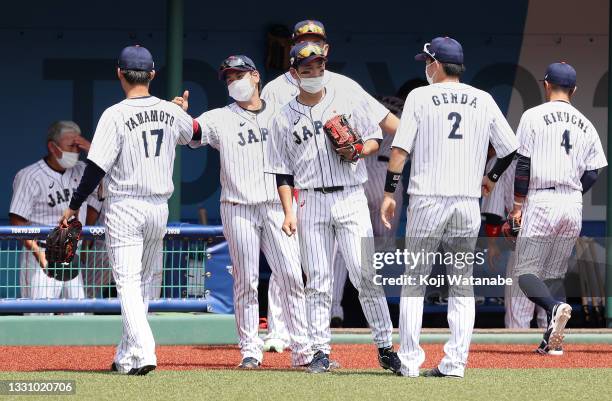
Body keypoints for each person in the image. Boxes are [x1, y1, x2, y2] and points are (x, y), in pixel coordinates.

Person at [381, 37, 519, 378]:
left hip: (428, 199)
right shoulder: (483, 99)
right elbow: (511, 148)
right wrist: (490, 179)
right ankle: (455, 363)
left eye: (427, 62)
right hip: (466, 203)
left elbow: (399, 151)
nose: (425, 67)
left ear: (437, 65)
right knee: (462, 283)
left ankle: (411, 362)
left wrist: (388, 193)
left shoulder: (419, 96)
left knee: (414, 278)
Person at [261, 18, 400, 351]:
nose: (314, 69)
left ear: (326, 54)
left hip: (350, 193)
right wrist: (287, 209)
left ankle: (385, 347)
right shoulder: (278, 100)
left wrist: (357, 149)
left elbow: (376, 133)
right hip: (306, 196)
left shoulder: (345, 87)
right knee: (309, 277)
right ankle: (305, 344)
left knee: (364, 273)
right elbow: (277, 162)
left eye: (318, 61)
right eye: (306, 65)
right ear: (294, 68)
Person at [60, 45, 198, 375]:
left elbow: (95, 167)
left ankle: (145, 350)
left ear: (119, 73)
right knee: (145, 284)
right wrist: (180, 110)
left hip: (126, 207)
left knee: (128, 284)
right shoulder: (170, 110)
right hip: (158, 209)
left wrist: (74, 205)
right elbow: (192, 134)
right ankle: (127, 356)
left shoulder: (115, 114)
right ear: (152, 74)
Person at [172, 55, 312, 369]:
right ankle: (250, 349)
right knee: (246, 281)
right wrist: (181, 116)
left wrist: (293, 208)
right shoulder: (219, 117)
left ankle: (303, 351)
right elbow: (193, 132)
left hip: (278, 206)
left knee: (291, 276)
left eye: (239, 74)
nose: (234, 80)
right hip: (238, 208)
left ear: (255, 76)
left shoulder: (282, 113)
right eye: (228, 77)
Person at [510, 62, 606, 355]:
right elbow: (593, 172)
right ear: (574, 90)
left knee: (524, 273)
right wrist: (575, 193)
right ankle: (552, 343)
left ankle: (554, 308)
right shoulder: (586, 123)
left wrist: (517, 205)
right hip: (572, 202)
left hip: (542, 199)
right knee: (553, 275)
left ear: (546, 84)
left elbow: (523, 165)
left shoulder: (533, 116)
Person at [9, 120, 100, 313]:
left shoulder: (84, 170)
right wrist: (39, 254)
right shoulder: (29, 176)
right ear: (53, 147)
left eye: (78, 146)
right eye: (71, 146)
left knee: (79, 317)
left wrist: (91, 148)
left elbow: (102, 190)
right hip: (42, 254)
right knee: (39, 318)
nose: (75, 151)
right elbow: (17, 221)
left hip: (73, 254)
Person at [331, 95, 406, 327]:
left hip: (360, 171)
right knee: (383, 246)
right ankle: (380, 313)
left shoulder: (369, 102)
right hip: (387, 172)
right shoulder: (408, 109)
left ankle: (335, 309)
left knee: (345, 246)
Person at [481, 152, 547, 329]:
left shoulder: (501, 160)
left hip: (525, 232)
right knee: (551, 304)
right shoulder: (553, 154)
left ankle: (518, 349)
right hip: (556, 230)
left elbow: (493, 211)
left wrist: (492, 244)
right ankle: (555, 348)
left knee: (518, 307)